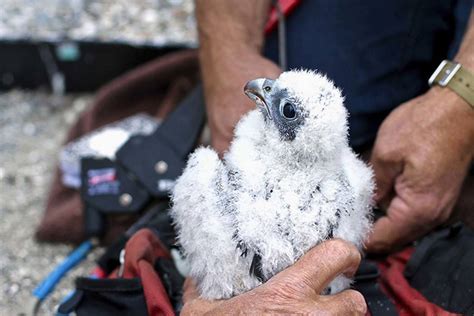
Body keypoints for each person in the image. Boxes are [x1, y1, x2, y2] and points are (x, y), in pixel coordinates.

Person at [183, 0, 474, 314]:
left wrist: (462, 99)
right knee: (342, 88)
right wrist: (229, 55)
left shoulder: (349, 175)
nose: (264, 87)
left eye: (286, 109)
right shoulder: (347, 171)